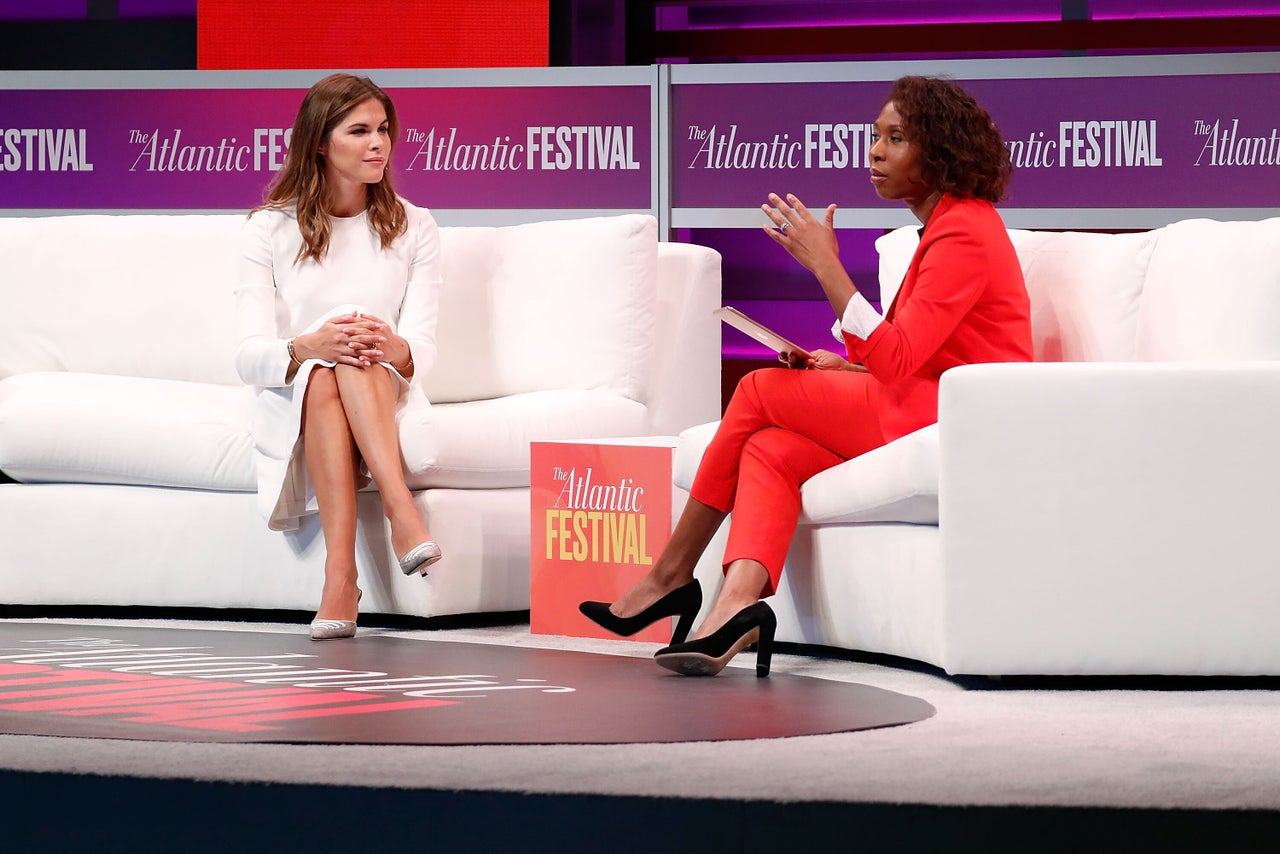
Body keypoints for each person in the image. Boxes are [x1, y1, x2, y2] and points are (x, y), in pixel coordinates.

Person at [580, 75, 1034, 676]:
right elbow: (907, 353)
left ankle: (669, 574)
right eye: (876, 136)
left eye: (896, 138)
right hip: (916, 400)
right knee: (770, 449)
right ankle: (738, 603)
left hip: (949, 417)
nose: (874, 151)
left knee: (757, 389)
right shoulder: (947, 226)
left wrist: (827, 265)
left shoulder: (965, 231)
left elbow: (899, 359)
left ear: (941, 151)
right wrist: (840, 365)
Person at [234, 73, 444, 641]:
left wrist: (393, 346)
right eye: (359, 131)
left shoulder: (414, 224)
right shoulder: (268, 228)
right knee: (326, 371)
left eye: (383, 129)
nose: (379, 143)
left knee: (354, 352)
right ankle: (400, 521)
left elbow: (421, 346)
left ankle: (342, 575)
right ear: (321, 143)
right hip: (299, 389)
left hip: (384, 383)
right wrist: (308, 346)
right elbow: (249, 356)